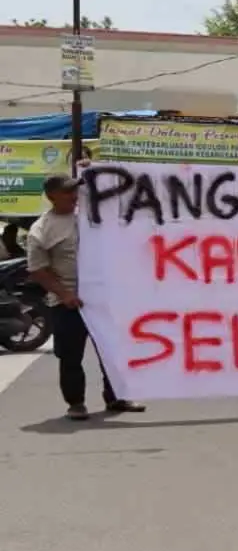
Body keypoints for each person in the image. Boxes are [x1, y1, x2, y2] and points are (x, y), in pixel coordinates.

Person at [26, 175, 146, 421]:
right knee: (70, 356)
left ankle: (116, 397)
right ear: (51, 197)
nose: (73, 196)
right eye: (67, 192)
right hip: (69, 304)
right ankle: (76, 403)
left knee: (111, 351)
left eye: (75, 191)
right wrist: (65, 294)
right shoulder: (42, 229)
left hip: (103, 299)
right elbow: (38, 270)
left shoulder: (92, 216)